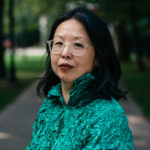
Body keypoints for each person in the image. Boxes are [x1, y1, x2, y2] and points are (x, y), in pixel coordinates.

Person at [26, 7, 134, 150]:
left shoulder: (108, 117)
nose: (65, 53)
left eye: (77, 45)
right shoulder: (51, 106)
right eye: (59, 43)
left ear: (99, 57)